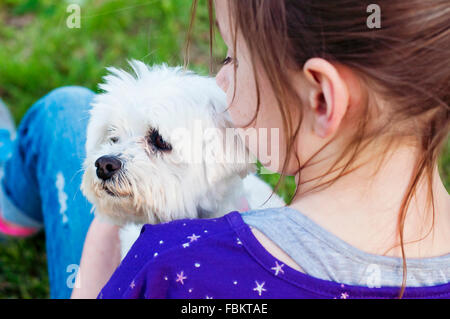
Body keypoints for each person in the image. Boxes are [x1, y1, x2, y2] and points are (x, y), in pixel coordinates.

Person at [1, 0, 449, 299]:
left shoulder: (168, 258)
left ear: (322, 98)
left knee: (63, 112)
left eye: (232, 58)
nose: (220, 81)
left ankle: (11, 192)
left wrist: (106, 219)